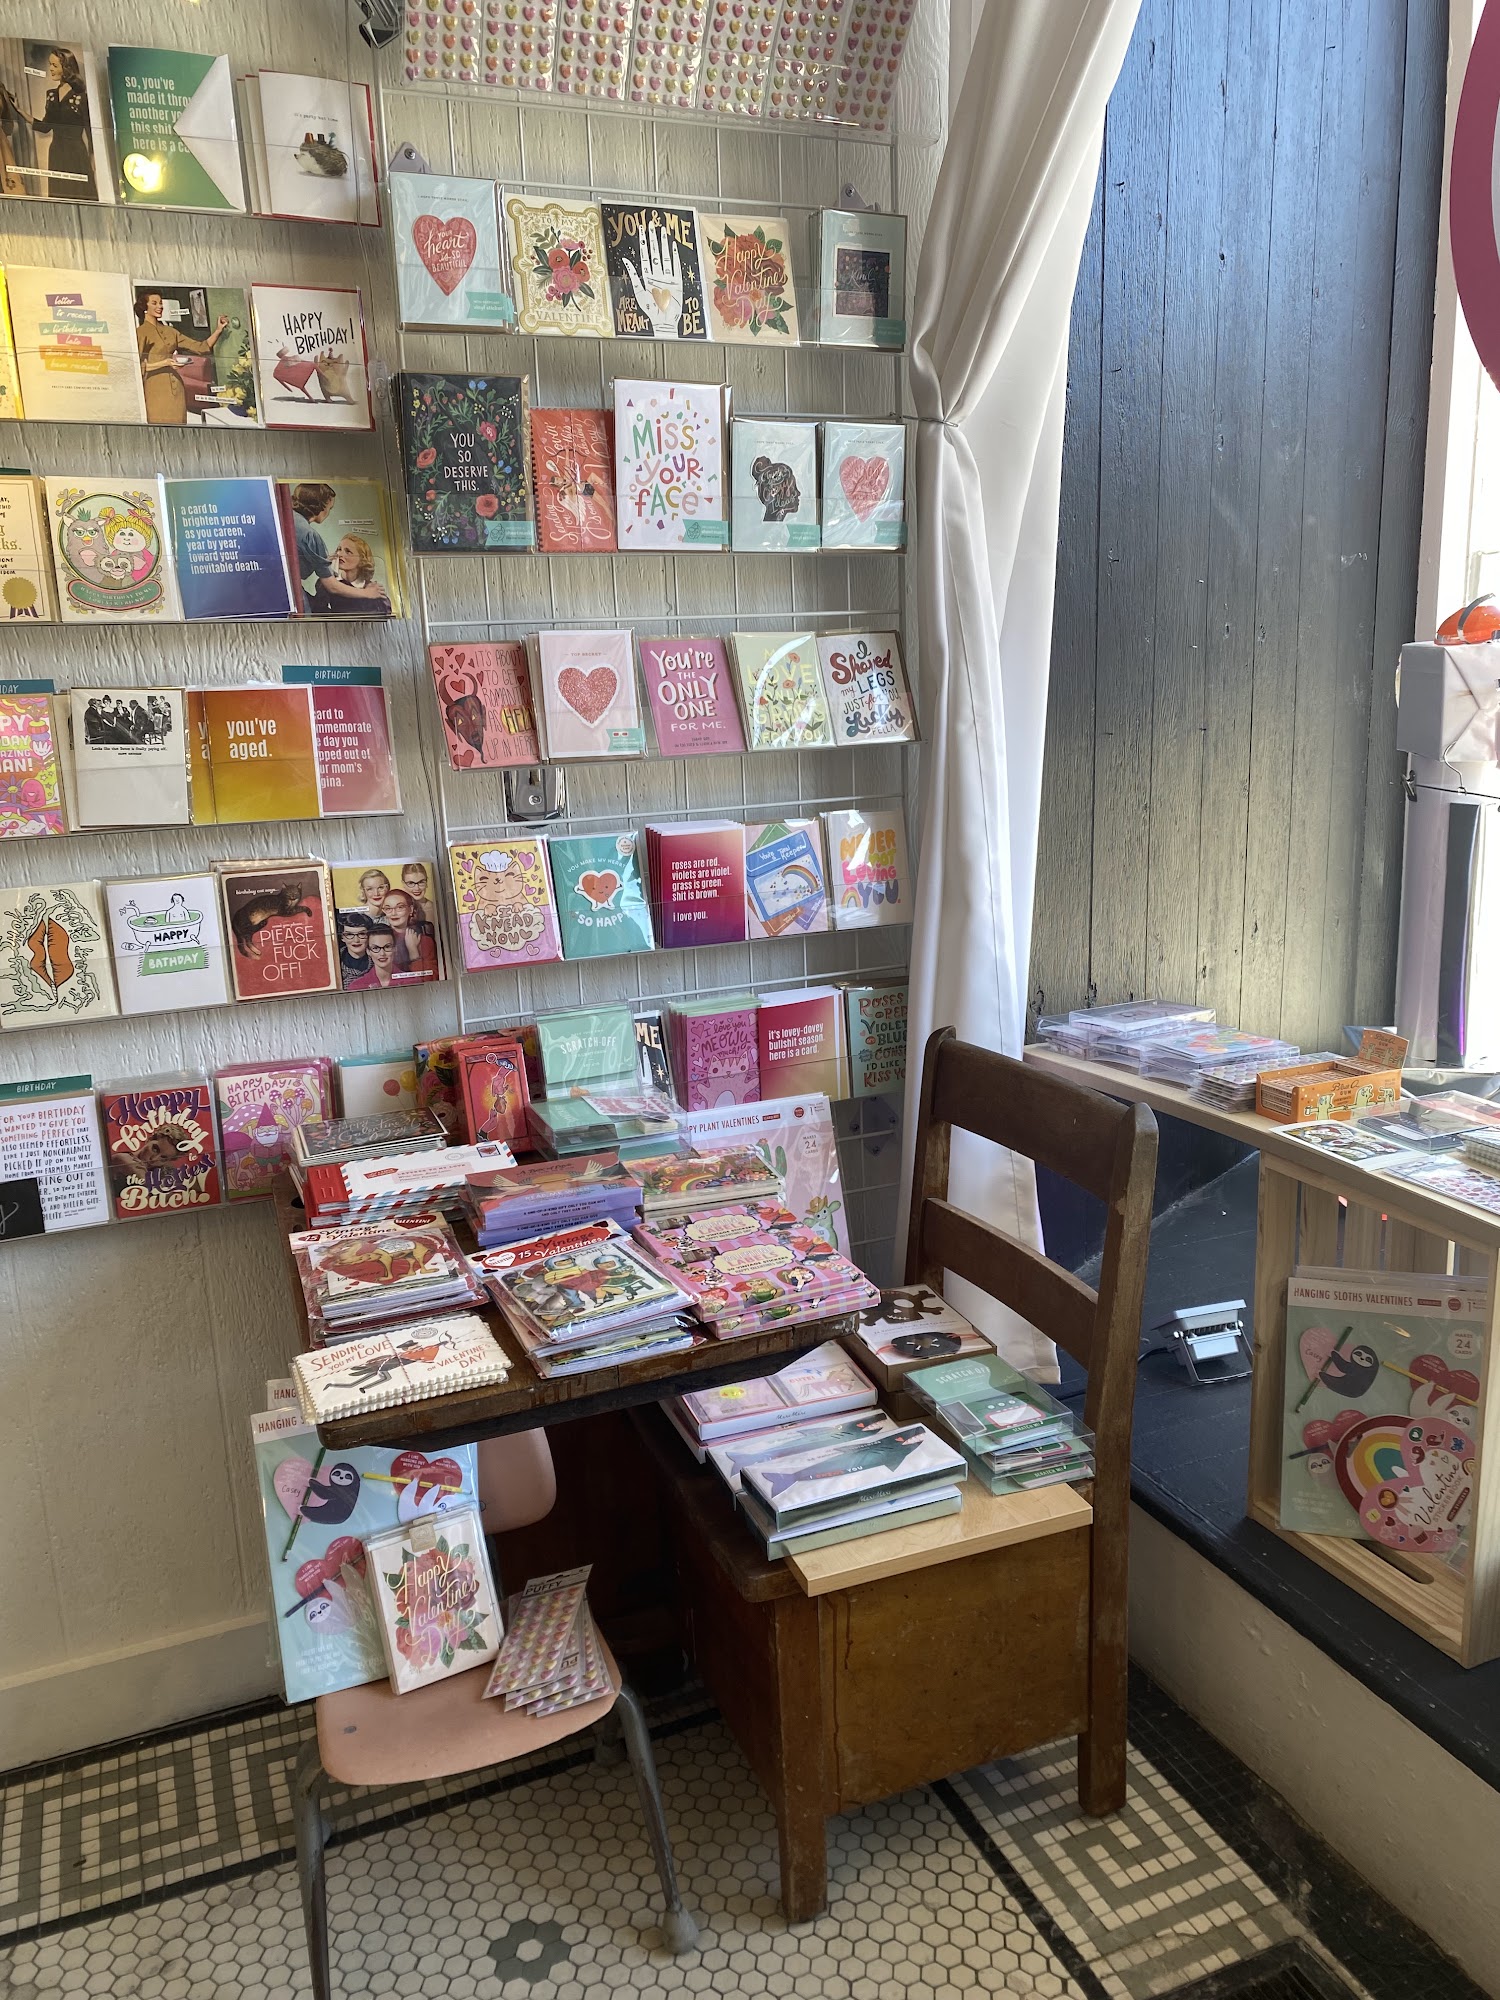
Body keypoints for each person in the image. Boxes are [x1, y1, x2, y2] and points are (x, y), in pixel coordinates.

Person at [0, 48, 96, 201]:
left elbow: (90, 131)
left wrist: (92, 157)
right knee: (60, 195)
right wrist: (20, 110)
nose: (50, 68)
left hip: (77, 153)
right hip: (56, 152)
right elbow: (45, 127)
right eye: (50, 64)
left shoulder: (82, 96)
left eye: (54, 65)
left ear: (66, 68)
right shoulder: (51, 95)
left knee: (81, 194)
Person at [134, 290, 229, 426]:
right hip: (155, 388)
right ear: (144, 307)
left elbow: (201, 347)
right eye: (154, 303)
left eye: (161, 303)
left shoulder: (170, 331)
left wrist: (218, 330)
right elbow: (135, 366)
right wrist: (165, 363)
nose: (160, 306)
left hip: (177, 388)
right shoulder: (140, 332)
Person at [309, 533, 392, 618]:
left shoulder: (372, 588)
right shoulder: (327, 584)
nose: (339, 554)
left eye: (348, 551)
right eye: (339, 549)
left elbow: (384, 616)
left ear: (362, 559)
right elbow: (319, 612)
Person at [378, 887, 438, 981]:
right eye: (388, 908)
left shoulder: (425, 941)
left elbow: (431, 979)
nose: (393, 913)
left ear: (410, 909)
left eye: (400, 907)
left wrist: (414, 953)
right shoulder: (378, 939)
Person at [347, 924, 400, 990]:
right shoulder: (356, 986)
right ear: (368, 951)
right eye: (375, 948)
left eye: (387, 947)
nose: (382, 953)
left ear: (395, 949)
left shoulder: (409, 980)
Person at [336, 910, 372, 989]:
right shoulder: (335, 965)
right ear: (342, 937)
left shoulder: (378, 961)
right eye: (349, 934)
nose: (356, 940)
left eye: (361, 934)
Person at [401, 862, 437, 931]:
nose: (417, 888)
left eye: (421, 882)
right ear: (403, 884)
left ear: (426, 882)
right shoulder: (396, 910)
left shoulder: (436, 908)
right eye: (411, 883)